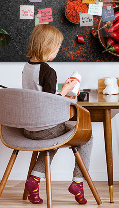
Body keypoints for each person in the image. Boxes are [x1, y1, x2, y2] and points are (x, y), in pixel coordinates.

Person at [22, 24, 92, 205]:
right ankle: (78, 182)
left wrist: (61, 92)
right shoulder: (48, 71)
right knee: (87, 136)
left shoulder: (27, 67)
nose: (57, 51)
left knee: (53, 139)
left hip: (28, 128)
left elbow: (39, 96)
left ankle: (34, 180)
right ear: (48, 47)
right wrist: (67, 90)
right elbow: (50, 103)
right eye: (57, 47)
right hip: (45, 128)